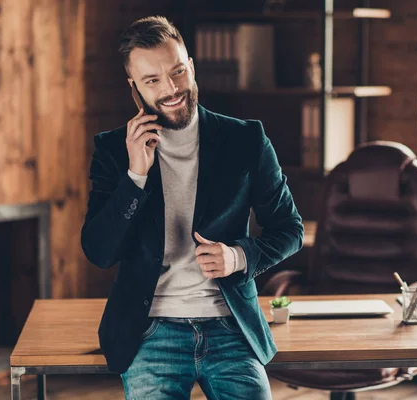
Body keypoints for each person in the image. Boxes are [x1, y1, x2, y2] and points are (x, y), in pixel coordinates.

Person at [80, 15, 304, 400]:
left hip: (230, 326)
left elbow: (290, 228)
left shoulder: (246, 139)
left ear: (191, 67)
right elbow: (99, 252)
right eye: (152, 80)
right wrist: (135, 176)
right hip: (150, 330)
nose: (171, 88)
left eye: (178, 72)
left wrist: (238, 257)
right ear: (134, 86)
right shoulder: (114, 151)